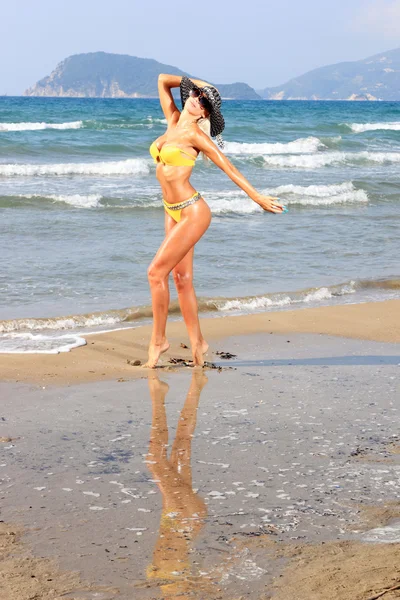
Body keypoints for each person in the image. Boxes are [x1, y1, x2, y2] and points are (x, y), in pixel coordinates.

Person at [144, 74, 285, 368]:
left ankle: (159, 340)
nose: (196, 99)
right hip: (170, 209)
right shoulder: (171, 120)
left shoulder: (197, 136)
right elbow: (162, 80)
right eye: (195, 95)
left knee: (155, 273)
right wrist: (204, 86)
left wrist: (257, 198)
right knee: (181, 280)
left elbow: (229, 168)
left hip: (193, 211)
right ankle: (198, 343)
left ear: (205, 114)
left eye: (203, 101)